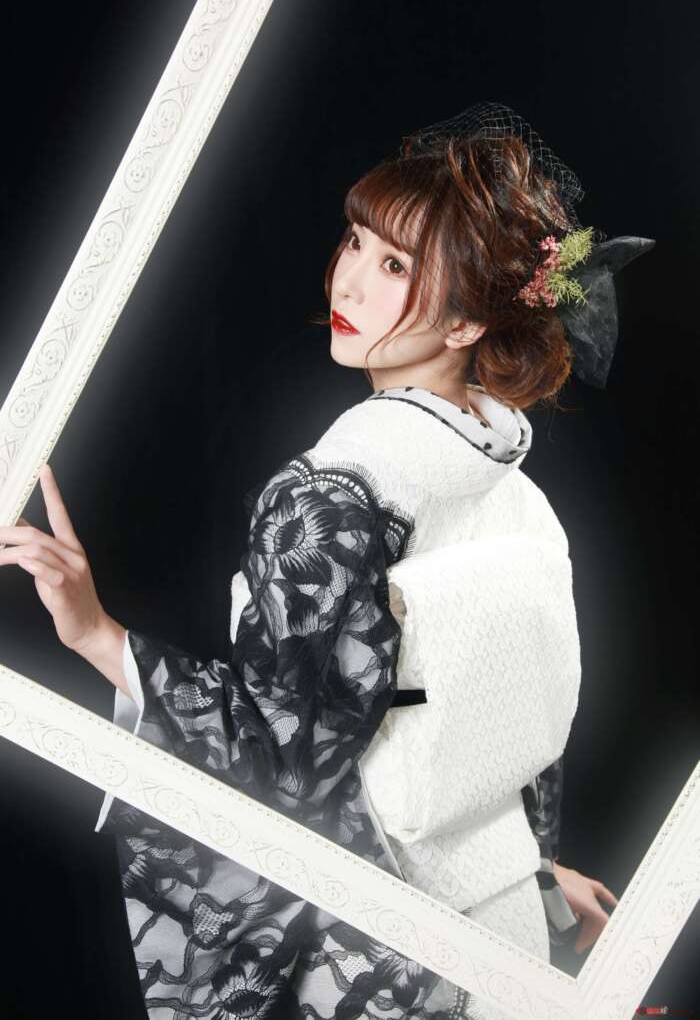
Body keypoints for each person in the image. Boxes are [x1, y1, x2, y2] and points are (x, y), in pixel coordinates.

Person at [0, 102, 650, 1020]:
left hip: (381, 943)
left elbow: (282, 764)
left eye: (396, 267)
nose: (350, 279)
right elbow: (518, 736)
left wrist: (96, 636)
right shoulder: (517, 490)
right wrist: (533, 873)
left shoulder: (331, 497)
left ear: (468, 322)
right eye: (355, 242)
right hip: (500, 931)